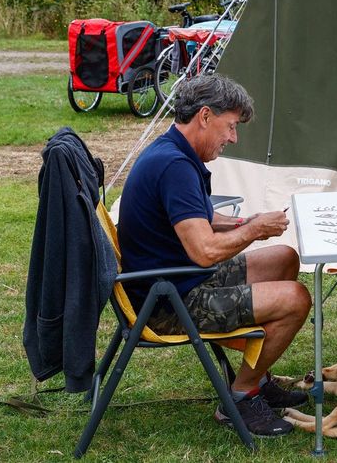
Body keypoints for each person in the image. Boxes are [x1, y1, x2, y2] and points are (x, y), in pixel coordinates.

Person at [117, 74, 311, 437]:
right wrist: (252, 231)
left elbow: (198, 218)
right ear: (205, 116)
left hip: (177, 278)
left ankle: (259, 375)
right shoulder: (174, 166)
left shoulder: (173, 152)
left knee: (284, 258)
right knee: (296, 299)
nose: (233, 138)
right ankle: (240, 395)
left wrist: (246, 221)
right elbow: (204, 252)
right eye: (231, 126)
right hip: (167, 302)